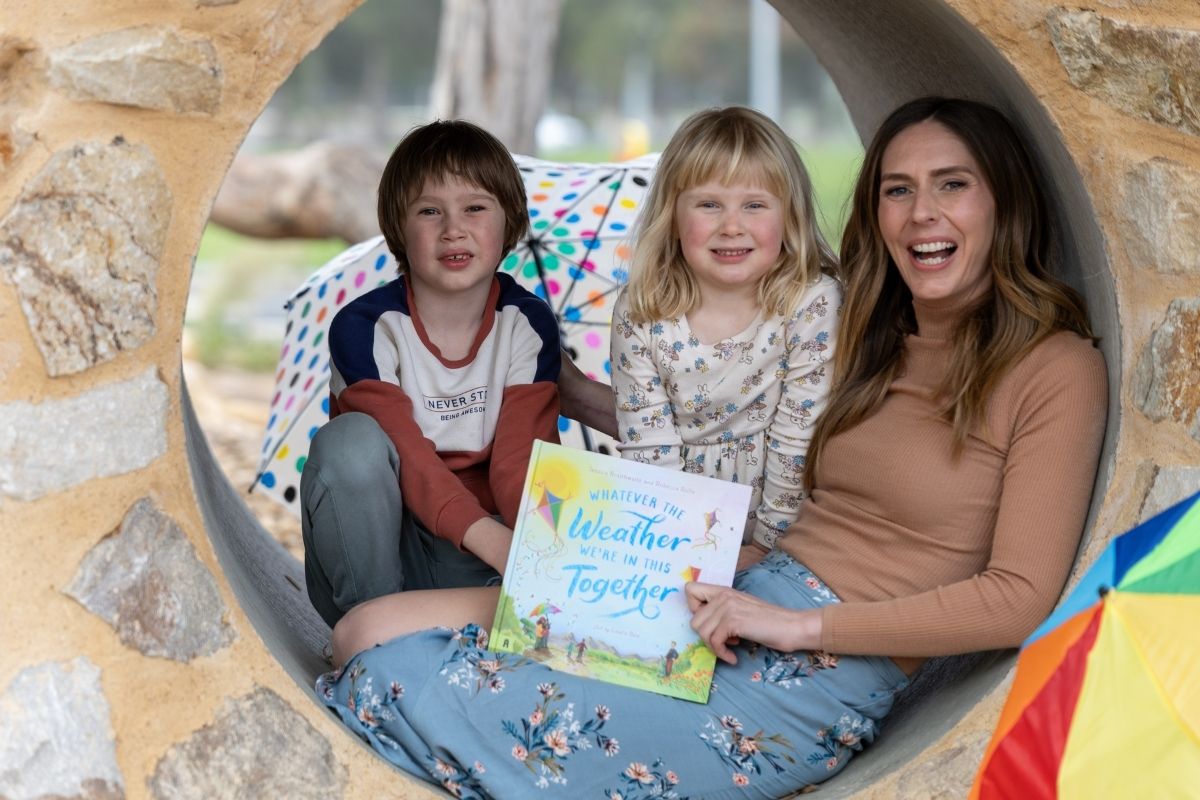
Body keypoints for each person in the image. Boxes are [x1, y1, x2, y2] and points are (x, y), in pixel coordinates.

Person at [316, 99, 1107, 799]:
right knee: (365, 631)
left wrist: (800, 628)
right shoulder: (865, 331)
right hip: (703, 584)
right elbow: (721, 405)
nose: (922, 213)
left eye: (953, 184)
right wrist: (582, 393)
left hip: (805, 666)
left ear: (1006, 202)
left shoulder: (1054, 369)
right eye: (898, 189)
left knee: (392, 679)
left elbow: (1019, 597)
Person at [300, 120, 561, 629]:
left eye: (475, 208)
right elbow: (411, 459)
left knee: (547, 493)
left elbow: (518, 464)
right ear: (399, 228)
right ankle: (376, 635)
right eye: (429, 211)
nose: (453, 229)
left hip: (481, 557)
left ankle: (488, 621)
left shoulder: (526, 323)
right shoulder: (365, 327)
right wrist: (495, 542)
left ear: (509, 222)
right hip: (382, 552)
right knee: (348, 441)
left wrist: (536, 556)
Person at [611, 107, 840, 557]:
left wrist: (768, 553)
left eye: (754, 205)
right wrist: (678, 554)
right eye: (709, 204)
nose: (731, 226)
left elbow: (798, 442)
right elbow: (649, 452)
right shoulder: (642, 313)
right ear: (673, 217)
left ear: (788, 216)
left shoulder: (809, 302)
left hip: (795, 531)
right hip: (678, 531)